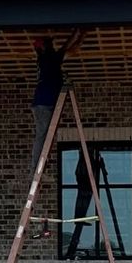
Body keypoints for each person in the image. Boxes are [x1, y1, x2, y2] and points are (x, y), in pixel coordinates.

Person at [29, 30, 83, 176]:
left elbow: (66, 49)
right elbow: (68, 49)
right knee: (42, 136)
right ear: (46, 48)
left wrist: (76, 36)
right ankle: (36, 170)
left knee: (44, 136)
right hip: (44, 104)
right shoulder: (49, 58)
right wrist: (78, 35)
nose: (53, 46)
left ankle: (37, 170)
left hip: (44, 103)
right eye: (50, 44)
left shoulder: (45, 58)